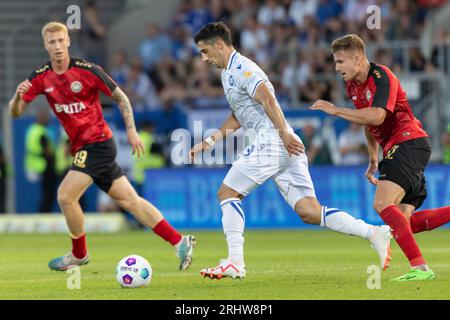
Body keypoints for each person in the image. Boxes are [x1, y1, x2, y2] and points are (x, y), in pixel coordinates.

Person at [190, 22, 391, 280]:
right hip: (282, 142)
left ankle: (235, 262)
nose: (203, 58)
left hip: (274, 140)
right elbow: (238, 116)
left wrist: (283, 134)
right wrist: (209, 142)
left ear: (220, 45)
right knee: (309, 210)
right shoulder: (227, 74)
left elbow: (268, 99)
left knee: (228, 192)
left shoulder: (244, 69)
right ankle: (373, 232)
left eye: (205, 51)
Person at [8, 21, 195, 272]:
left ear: (68, 42)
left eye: (61, 40)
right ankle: (179, 241)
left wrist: (130, 130)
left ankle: (79, 254)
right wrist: (18, 97)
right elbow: (16, 113)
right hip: (84, 147)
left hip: (97, 143)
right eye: (52, 42)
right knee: (130, 201)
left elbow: (120, 96)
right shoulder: (41, 77)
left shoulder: (87, 70)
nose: (57, 46)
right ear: (46, 45)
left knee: (65, 196)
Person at [310, 34, 450, 281]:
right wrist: (373, 157)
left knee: (382, 205)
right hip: (402, 146)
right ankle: (420, 266)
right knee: (402, 221)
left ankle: (420, 267)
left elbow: (376, 116)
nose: (336, 67)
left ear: (358, 58)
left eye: (341, 61)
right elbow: (367, 122)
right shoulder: (352, 84)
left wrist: (335, 110)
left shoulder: (381, 76)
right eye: (335, 62)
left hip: (408, 141)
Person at [25, 107, 58, 212]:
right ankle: (44, 214)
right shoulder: (41, 132)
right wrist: (54, 158)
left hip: (33, 165)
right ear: (41, 118)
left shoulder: (32, 130)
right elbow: (47, 152)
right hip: (43, 166)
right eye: (46, 118)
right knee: (49, 194)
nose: (48, 120)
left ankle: (43, 213)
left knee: (46, 194)